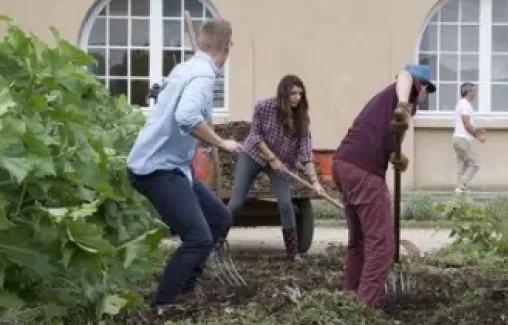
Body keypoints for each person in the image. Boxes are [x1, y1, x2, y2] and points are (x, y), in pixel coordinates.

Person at [127, 18, 243, 307]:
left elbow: (172, 105)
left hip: (176, 166)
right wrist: (220, 142)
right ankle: (162, 305)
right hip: (156, 168)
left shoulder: (185, 69)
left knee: (219, 218)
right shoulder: (202, 76)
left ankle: (188, 287)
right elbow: (187, 117)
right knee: (197, 237)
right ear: (227, 47)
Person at [332, 64, 435, 306]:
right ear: (421, 86)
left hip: (343, 163)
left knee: (359, 240)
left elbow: (387, 140)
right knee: (382, 246)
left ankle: (352, 295)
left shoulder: (390, 104)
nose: (426, 96)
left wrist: (396, 156)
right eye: (427, 90)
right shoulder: (402, 95)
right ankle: (364, 306)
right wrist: (404, 105)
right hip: (364, 172)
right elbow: (404, 75)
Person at [229, 75, 324, 261]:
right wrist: (271, 157)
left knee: (286, 204)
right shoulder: (264, 106)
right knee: (237, 201)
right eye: (293, 93)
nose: (297, 97)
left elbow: (306, 152)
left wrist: (315, 182)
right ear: (283, 94)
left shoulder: (302, 118)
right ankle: (215, 245)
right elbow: (255, 135)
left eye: (300, 94)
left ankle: (292, 254)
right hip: (253, 155)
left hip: (281, 164)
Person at [452, 82, 485, 194]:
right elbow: (466, 124)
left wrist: (477, 129)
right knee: (475, 163)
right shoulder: (465, 105)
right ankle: (461, 186)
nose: (475, 94)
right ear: (468, 92)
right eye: (473, 91)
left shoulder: (461, 104)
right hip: (463, 139)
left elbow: (465, 124)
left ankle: (459, 191)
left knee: (462, 164)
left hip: (457, 138)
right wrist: (477, 136)